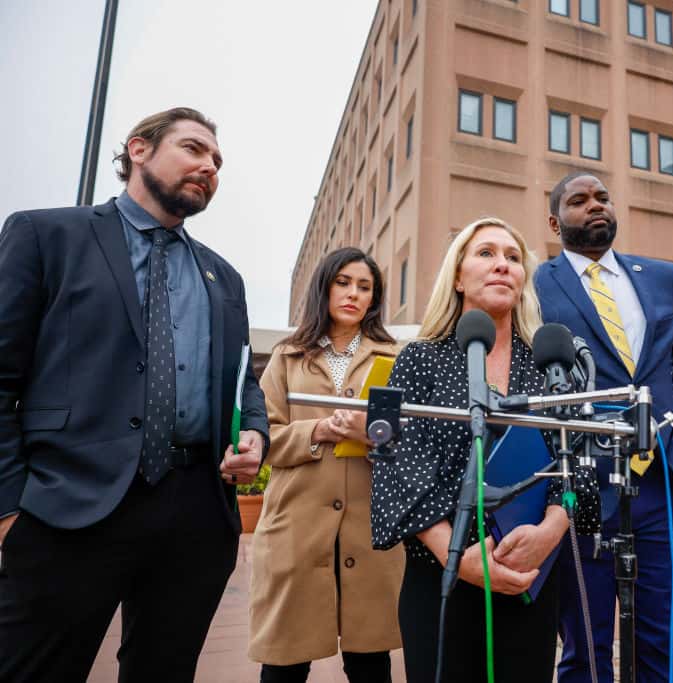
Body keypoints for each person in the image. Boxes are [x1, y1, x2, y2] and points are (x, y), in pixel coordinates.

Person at [0, 107, 268, 682]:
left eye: (217, 161)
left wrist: (255, 432)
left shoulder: (226, 277)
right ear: (139, 150)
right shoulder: (45, 235)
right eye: (194, 149)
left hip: (195, 516)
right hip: (67, 509)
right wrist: (9, 509)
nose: (209, 166)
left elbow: (244, 380)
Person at [370, 217, 600, 683]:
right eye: (486, 254)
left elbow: (579, 464)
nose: (502, 265)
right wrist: (459, 557)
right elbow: (394, 462)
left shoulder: (551, 364)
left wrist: (549, 532)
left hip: (528, 574)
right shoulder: (416, 358)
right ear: (457, 276)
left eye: (513, 258)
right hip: (443, 574)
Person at [535, 172, 673, 682]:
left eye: (602, 197)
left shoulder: (665, 278)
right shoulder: (534, 284)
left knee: (665, 639)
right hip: (580, 486)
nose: (595, 206)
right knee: (585, 646)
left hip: (662, 481)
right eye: (579, 200)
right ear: (555, 221)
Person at [250, 247, 404, 683]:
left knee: (371, 662)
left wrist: (368, 435)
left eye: (365, 287)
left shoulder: (393, 357)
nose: (353, 294)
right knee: (284, 661)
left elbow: (406, 444)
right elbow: (264, 437)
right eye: (343, 282)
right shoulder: (286, 356)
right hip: (296, 526)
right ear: (325, 287)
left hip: (369, 528)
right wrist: (317, 432)